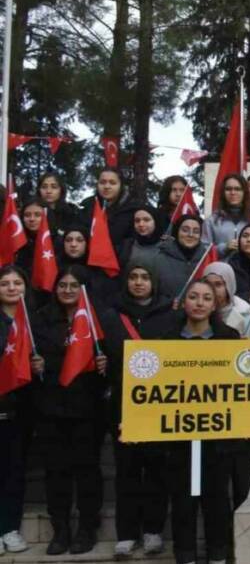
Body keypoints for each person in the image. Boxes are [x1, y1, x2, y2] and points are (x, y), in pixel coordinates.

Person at [142, 279, 239, 564]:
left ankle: (218, 554)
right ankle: (184, 555)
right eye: (193, 297)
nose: (199, 303)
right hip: (178, 440)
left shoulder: (230, 339)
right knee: (183, 500)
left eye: (206, 298)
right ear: (184, 303)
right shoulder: (165, 341)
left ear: (215, 304)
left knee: (217, 499)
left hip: (217, 439)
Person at [30, 266, 119, 555]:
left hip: (88, 409)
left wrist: (106, 366)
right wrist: (36, 367)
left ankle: (86, 529)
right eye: (62, 285)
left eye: (73, 285)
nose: (67, 290)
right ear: (55, 289)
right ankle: (61, 529)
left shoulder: (98, 320)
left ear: (83, 289)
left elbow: (115, 361)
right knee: (56, 473)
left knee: (87, 472)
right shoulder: (40, 320)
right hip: (50, 409)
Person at [108, 259, 171, 559]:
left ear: (154, 281)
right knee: (127, 472)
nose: (138, 282)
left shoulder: (170, 315)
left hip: (158, 407)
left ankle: (153, 531)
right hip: (123, 407)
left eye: (145, 277)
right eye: (133, 277)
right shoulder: (112, 315)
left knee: (156, 471)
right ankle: (126, 533)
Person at [0, 267, 31, 555]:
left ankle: (9, 528)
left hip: (22, 410)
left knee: (14, 472)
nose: (11, 288)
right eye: (5, 283)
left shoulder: (33, 320)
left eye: (17, 283)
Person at [77, 168, 138, 251]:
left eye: (112, 183)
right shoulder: (87, 206)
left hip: (119, 260)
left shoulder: (133, 211)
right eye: (102, 182)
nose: (107, 186)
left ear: (121, 186)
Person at [155, 216, 210, 301]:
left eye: (196, 231)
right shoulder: (159, 259)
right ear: (176, 232)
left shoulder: (207, 260)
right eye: (185, 230)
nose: (190, 235)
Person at [202, 174, 250, 255]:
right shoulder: (211, 221)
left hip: (247, 267)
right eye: (228, 189)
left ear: (244, 192)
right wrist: (224, 247)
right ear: (223, 193)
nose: (233, 192)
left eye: (237, 189)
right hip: (221, 266)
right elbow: (203, 250)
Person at [36, 173, 77, 241]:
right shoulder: (33, 212)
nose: (48, 191)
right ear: (39, 190)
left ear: (61, 190)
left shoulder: (71, 213)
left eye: (54, 187)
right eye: (44, 187)